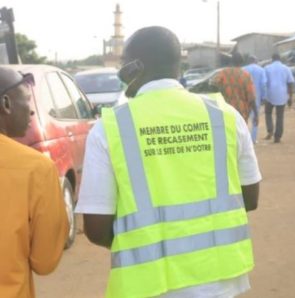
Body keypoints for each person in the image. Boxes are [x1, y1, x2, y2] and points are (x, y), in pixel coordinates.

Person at [75, 26, 261, 298]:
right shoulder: (225, 116)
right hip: (220, 277)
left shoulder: (110, 127)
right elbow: (251, 198)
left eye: (124, 63)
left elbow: (96, 228)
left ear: (135, 66)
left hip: (148, 282)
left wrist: (145, 242)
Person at [0, 67, 68, 297]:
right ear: (6, 103)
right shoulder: (35, 168)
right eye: (27, 99)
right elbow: (45, 261)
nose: (31, 111)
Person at [211, 52, 257, 123]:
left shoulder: (223, 73)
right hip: (242, 114)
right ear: (241, 62)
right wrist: (256, 114)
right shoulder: (246, 75)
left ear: (231, 61)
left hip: (227, 111)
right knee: (240, 133)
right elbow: (251, 97)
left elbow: (213, 85)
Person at [264, 53, 295, 143]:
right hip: (282, 95)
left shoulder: (267, 68)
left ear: (272, 59)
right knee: (280, 116)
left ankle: (270, 130)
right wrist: (290, 97)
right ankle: (277, 136)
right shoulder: (286, 68)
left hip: (270, 94)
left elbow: (264, 82)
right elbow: (290, 83)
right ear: (280, 59)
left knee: (268, 113)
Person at [243, 55, 267, 143]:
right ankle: (253, 139)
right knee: (255, 118)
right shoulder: (261, 70)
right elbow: (263, 84)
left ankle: (245, 139)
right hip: (256, 96)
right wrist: (264, 97)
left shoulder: (243, 69)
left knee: (244, 118)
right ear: (256, 61)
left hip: (244, 97)